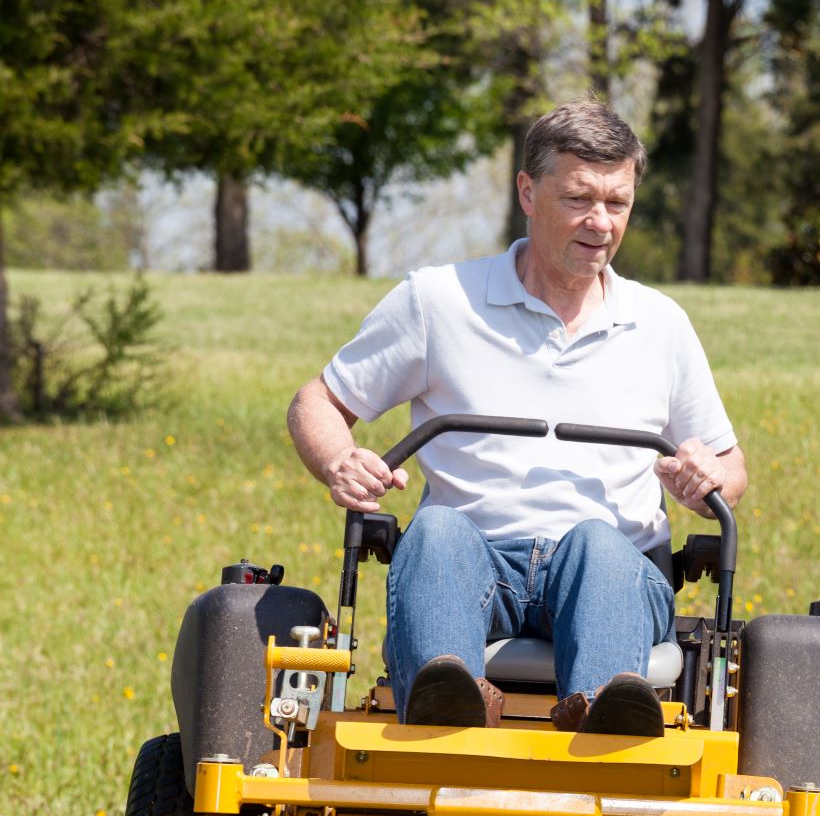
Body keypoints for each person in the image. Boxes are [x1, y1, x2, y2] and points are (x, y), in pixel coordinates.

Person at [286, 100, 746, 735]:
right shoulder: (438, 301)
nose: (601, 223)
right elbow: (318, 403)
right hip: (473, 561)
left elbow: (728, 466)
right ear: (527, 192)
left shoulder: (660, 324)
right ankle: (446, 698)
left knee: (599, 543)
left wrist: (709, 479)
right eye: (580, 198)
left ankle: (605, 713)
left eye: (618, 204)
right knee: (439, 530)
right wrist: (340, 460)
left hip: (610, 570)